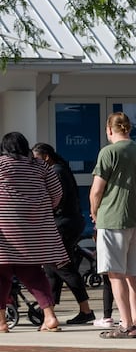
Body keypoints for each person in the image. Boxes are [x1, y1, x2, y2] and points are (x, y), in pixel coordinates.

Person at [91, 111, 136, 339]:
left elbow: (97, 189)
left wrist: (95, 213)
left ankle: (125, 323)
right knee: (133, 273)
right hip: (135, 219)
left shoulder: (108, 152)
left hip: (112, 218)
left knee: (115, 274)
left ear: (109, 130)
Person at [0, 132, 66, 332]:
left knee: (1, 277)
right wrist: (40, 211)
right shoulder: (41, 166)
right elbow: (57, 194)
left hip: (5, 232)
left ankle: (1, 322)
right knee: (35, 275)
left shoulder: (0, 165)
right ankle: (50, 316)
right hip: (35, 233)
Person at [32, 143, 95, 326]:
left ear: (46, 157)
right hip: (67, 223)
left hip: (64, 225)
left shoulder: (56, 172)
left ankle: (85, 309)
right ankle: (48, 309)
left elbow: (56, 201)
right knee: (52, 267)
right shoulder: (59, 169)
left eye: (36, 159)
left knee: (62, 266)